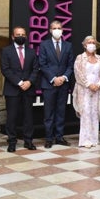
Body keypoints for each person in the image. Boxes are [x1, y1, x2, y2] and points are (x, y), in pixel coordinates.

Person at [0, 26, 39, 152]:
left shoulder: (32, 51)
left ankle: (28, 141)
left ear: (26, 37)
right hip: (12, 89)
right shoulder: (6, 51)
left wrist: (29, 82)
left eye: (23, 34)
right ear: (13, 37)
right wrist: (19, 82)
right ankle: (12, 141)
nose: (20, 37)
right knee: (12, 117)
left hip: (28, 89)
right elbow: (5, 69)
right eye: (18, 34)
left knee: (28, 116)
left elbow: (35, 69)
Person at [39, 20, 74, 148]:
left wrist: (63, 78)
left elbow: (70, 65)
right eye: (54, 28)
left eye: (59, 28)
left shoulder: (68, 45)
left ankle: (59, 137)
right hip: (49, 84)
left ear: (62, 30)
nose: (57, 30)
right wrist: (54, 78)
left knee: (61, 111)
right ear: (50, 30)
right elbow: (42, 64)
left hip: (63, 85)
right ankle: (49, 138)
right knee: (48, 113)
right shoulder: (44, 45)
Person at [72, 36, 100, 148]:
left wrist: (99, 84)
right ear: (85, 45)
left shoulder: (99, 58)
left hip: (96, 90)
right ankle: (85, 139)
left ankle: (94, 139)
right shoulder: (80, 58)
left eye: (93, 42)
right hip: (84, 90)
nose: (91, 44)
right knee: (85, 113)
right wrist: (88, 84)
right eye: (89, 42)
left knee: (94, 113)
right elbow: (78, 73)